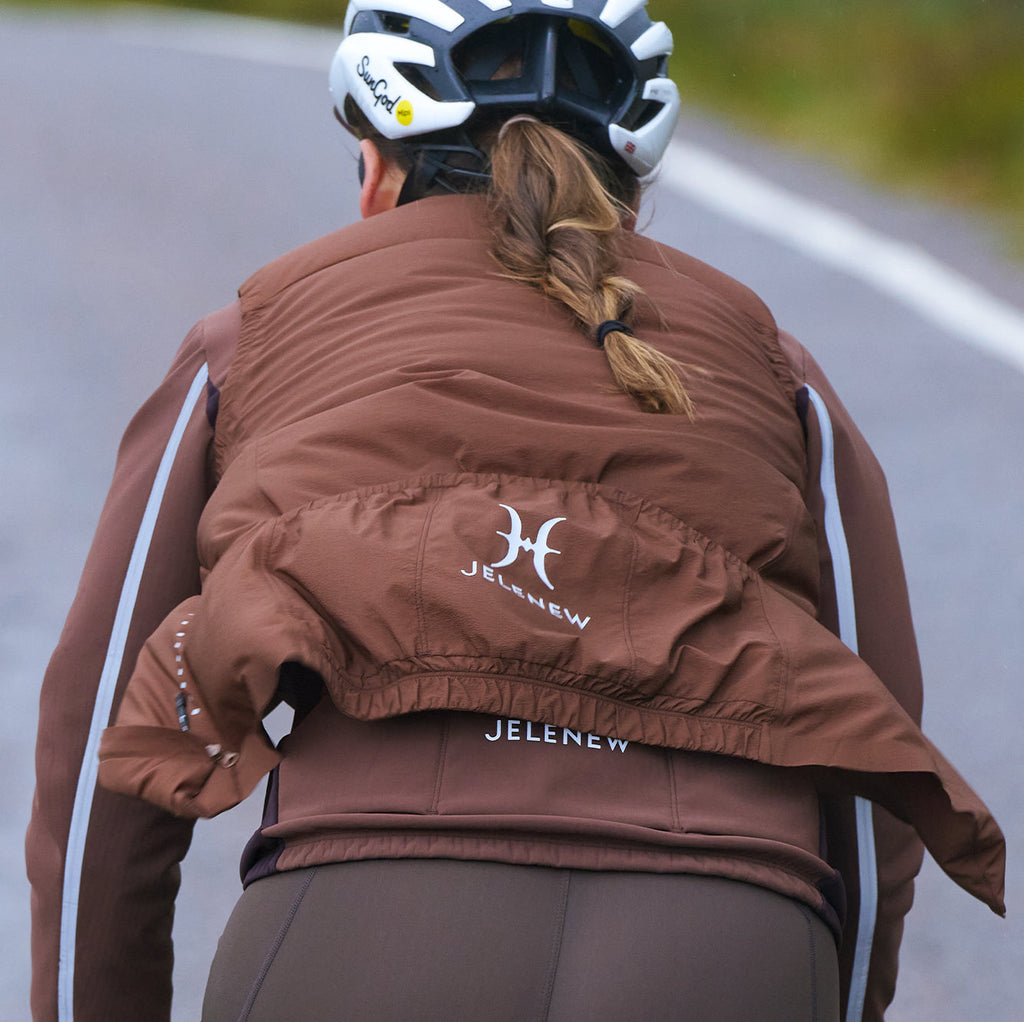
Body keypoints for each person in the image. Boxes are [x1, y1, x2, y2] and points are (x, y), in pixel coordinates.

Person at [27, 1, 1005, 1020]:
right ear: (628, 185)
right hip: (728, 938)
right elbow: (870, 770)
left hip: (359, 926)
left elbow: (100, 746)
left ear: (376, 170)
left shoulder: (248, 335)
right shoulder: (775, 369)